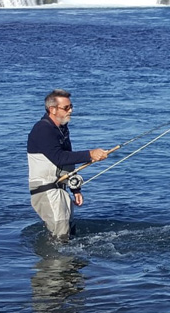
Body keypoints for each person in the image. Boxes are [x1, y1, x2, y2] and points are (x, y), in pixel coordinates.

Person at [27, 89, 109, 241]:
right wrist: (90, 154)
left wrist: (75, 188)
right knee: (60, 237)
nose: (70, 110)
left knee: (69, 233)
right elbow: (59, 158)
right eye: (66, 108)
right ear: (52, 109)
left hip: (60, 190)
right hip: (46, 191)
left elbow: (68, 161)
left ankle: (70, 264)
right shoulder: (42, 129)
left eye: (71, 106)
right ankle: (57, 264)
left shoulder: (62, 129)